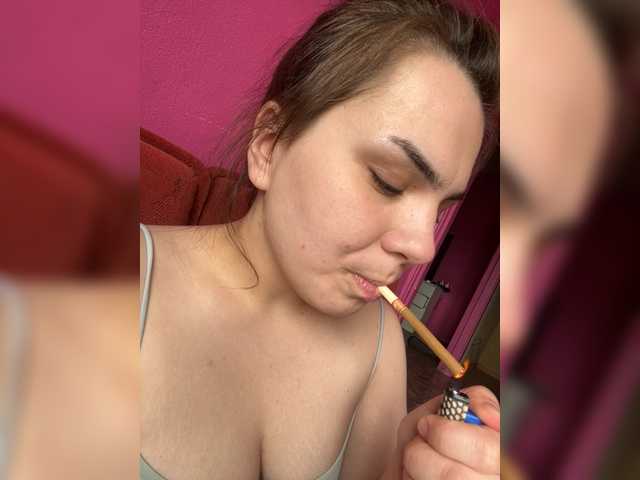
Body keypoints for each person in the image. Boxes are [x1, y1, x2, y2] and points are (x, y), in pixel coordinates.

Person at [140, 1, 500, 479]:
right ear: (270, 144)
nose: (422, 247)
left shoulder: (379, 340)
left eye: (439, 210)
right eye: (388, 181)